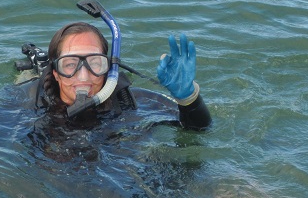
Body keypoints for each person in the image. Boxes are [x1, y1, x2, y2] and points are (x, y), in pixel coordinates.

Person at [18, 22, 211, 131]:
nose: (83, 76)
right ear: (56, 73)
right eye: (70, 65)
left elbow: (199, 130)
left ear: (108, 68)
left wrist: (188, 98)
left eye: (95, 63)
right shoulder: (26, 103)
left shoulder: (130, 101)